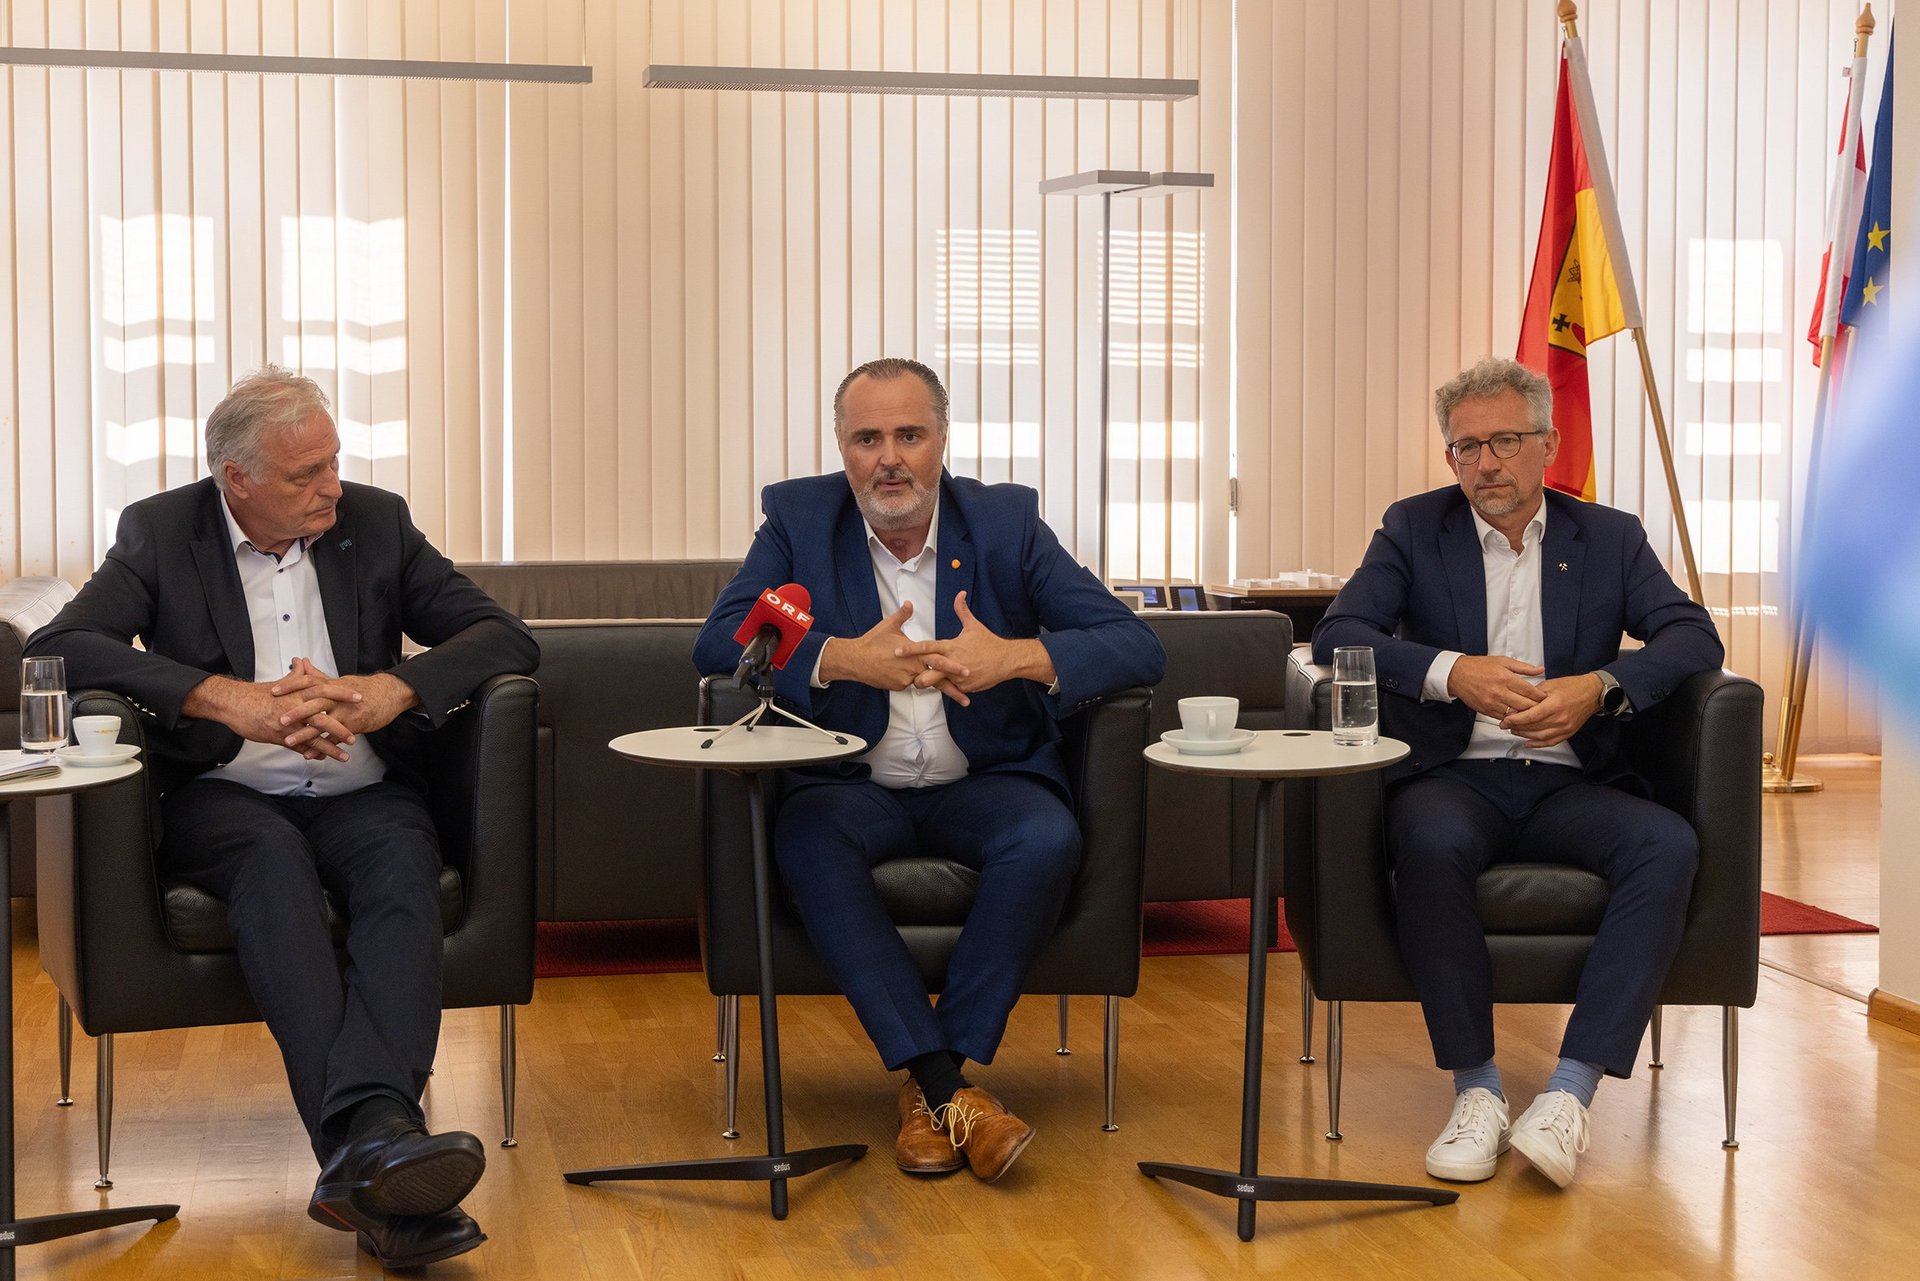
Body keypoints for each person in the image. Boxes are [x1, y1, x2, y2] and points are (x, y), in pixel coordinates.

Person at [27, 366, 538, 1268]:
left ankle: (365, 1163)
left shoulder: (376, 522)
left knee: (402, 869)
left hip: (364, 788)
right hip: (224, 794)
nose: (332, 487)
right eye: (307, 474)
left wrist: (389, 690)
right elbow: (58, 645)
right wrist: (224, 698)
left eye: (334, 462)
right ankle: (381, 1141)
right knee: (270, 864)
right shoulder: (162, 531)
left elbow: (505, 634)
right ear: (237, 478)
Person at [694, 357, 1165, 1183]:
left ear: (943, 440)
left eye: (909, 435)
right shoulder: (801, 521)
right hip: (852, 786)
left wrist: (1014, 656)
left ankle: (931, 1085)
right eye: (867, 438)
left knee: (1046, 836)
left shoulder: (1005, 524)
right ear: (841, 447)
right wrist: (844, 658)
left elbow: (1136, 644)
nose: (889, 458)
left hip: (987, 781)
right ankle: (951, 1092)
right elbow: (723, 638)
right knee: (808, 838)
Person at [1312, 356, 1723, 1189]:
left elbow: (1692, 635)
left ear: (1547, 445)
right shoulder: (1413, 527)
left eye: (1504, 441)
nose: (1485, 463)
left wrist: (1597, 687)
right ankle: (1477, 1091)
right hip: (1452, 776)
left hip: (1573, 779)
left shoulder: (1608, 536)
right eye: (1466, 447)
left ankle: (1569, 1095)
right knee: (1429, 842)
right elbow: (1339, 632)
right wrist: (1451, 671)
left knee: (1667, 844)